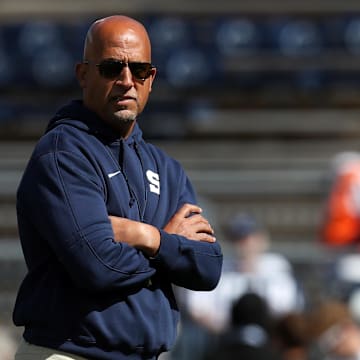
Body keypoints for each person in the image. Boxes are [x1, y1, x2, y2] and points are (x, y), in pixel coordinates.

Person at [12, 15, 223, 360]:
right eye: (112, 68)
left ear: (150, 78)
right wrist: (171, 247)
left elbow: (208, 267)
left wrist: (148, 237)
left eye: (139, 70)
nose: (127, 80)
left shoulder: (166, 167)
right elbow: (98, 265)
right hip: (68, 353)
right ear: (83, 74)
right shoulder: (63, 152)